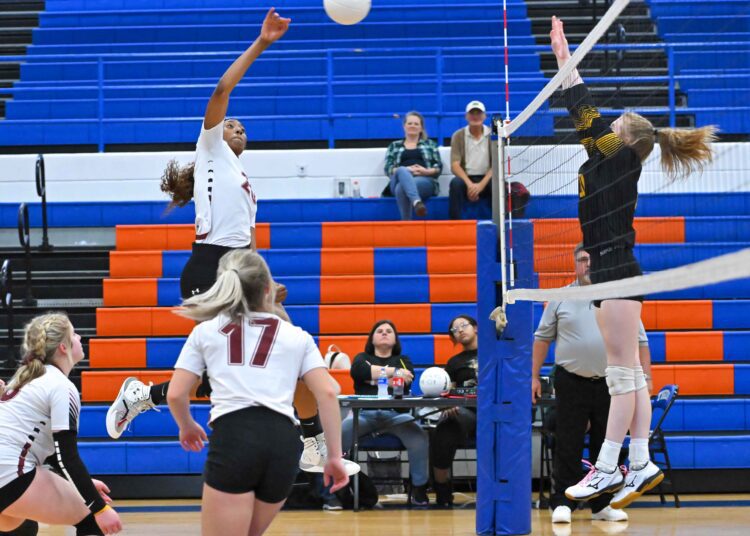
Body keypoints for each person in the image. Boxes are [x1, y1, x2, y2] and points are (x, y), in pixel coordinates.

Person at [103, 8, 358, 478]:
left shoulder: (244, 183)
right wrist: (262, 43)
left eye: (242, 128)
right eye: (232, 125)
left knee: (286, 347)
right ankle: (145, 396)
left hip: (240, 270)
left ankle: (311, 440)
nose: (238, 128)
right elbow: (222, 90)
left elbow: (249, 246)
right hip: (209, 268)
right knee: (231, 365)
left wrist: (268, 286)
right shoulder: (210, 150)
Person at [549, 16, 716, 510]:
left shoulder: (620, 158)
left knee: (621, 376)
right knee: (632, 377)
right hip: (611, 271)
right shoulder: (608, 159)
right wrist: (564, 60)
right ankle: (639, 460)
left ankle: (606, 467)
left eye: (615, 124)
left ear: (623, 139)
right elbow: (586, 121)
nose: (608, 124)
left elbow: (582, 109)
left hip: (617, 269)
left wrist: (565, 56)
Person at [166, 249, 349, 535]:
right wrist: (334, 457)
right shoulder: (297, 335)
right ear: (267, 290)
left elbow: (176, 394)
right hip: (284, 444)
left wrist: (186, 426)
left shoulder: (205, 331)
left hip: (236, 438)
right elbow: (328, 393)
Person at [532, 244, 652, 524]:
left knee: (607, 443)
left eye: (592, 259)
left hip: (612, 384)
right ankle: (562, 502)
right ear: (574, 264)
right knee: (568, 443)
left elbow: (641, 341)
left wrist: (645, 380)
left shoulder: (618, 297)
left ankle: (601, 505)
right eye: (582, 259)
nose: (588, 264)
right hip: (571, 381)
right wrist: (533, 376)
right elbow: (542, 339)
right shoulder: (560, 297)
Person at [0, 313, 122, 536]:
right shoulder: (61, 386)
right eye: (74, 334)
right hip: (9, 474)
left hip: (7, 472)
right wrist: (100, 508)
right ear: (63, 348)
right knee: (93, 520)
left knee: (20, 526)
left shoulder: (24, 378)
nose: (80, 337)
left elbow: (49, 452)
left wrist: (82, 484)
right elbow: (67, 456)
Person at [341, 320, 431, 506]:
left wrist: (372, 379)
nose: (384, 333)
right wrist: (394, 373)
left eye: (389, 331)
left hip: (397, 416)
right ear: (372, 339)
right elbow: (359, 371)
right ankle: (340, 487)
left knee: (419, 437)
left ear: (395, 339)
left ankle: (419, 488)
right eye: (379, 331)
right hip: (364, 415)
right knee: (340, 433)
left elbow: (407, 379)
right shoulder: (362, 358)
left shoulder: (403, 360)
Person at [431, 315, 479, 507]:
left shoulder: (495, 353)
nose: (459, 330)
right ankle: (442, 489)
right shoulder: (454, 363)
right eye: (454, 329)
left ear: (476, 328)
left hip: (494, 409)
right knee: (444, 426)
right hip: (467, 412)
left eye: (463, 325)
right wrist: (447, 405)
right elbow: (447, 392)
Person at [383, 111, 443, 220]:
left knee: (401, 187)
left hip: (424, 180)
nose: (412, 126)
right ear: (404, 126)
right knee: (402, 170)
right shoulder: (394, 145)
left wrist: (426, 171)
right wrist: (406, 170)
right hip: (397, 179)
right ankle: (417, 202)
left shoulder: (430, 144)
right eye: (410, 123)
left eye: (416, 124)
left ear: (421, 128)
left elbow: (438, 167)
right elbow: (388, 168)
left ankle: (407, 222)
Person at [448, 101, 495, 219]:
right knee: (455, 184)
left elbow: (497, 165)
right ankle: (455, 224)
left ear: (484, 116)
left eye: (478, 113)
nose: (475, 116)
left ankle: (499, 223)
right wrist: (470, 185)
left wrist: (480, 186)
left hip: (487, 178)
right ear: (466, 116)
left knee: (497, 184)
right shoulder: (458, 135)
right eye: (472, 113)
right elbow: (455, 165)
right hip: (466, 179)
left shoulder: (493, 135)